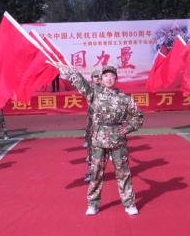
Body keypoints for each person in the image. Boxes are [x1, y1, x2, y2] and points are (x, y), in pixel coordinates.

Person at [57, 64, 144, 216]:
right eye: (106, 76)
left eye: (112, 76)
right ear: (101, 79)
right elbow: (82, 84)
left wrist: (128, 128)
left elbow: (139, 116)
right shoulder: (94, 94)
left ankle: (129, 203)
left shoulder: (124, 98)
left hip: (117, 140)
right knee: (96, 173)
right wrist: (71, 73)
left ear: (116, 79)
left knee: (123, 173)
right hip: (98, 140)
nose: (109, 78)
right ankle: (93, 204)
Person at [82, 70, 102, 182]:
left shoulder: (107, 90)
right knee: (92, 151)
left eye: (99, 76)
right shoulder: (89, 89)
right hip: (93, 123)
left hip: (105, 127)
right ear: (92, 78)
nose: (97, 78)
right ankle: (91, 173)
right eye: (95, 76)